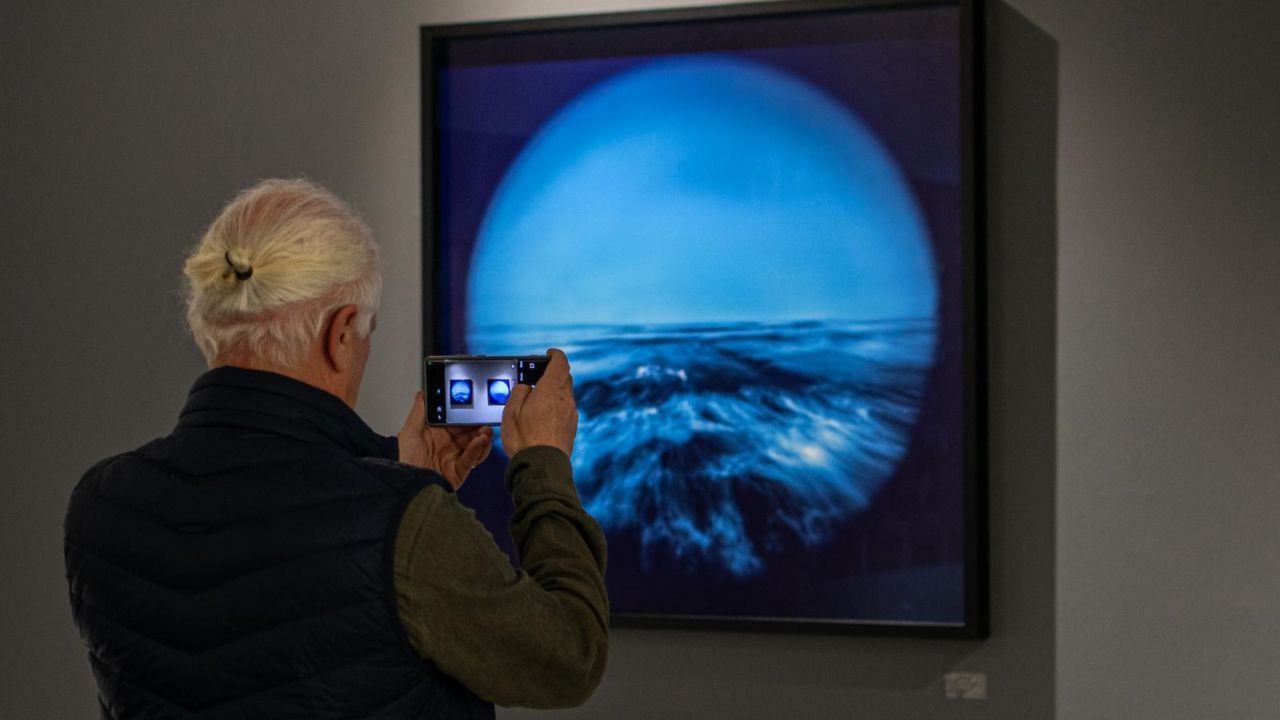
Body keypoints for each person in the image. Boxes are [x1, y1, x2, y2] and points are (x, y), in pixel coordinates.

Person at [63, 179, 608, 719]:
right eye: (367, 330)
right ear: (342, 332)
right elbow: (569, 659)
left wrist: (393, 470)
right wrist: (543, 463)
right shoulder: (403, 522)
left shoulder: (102, 505)